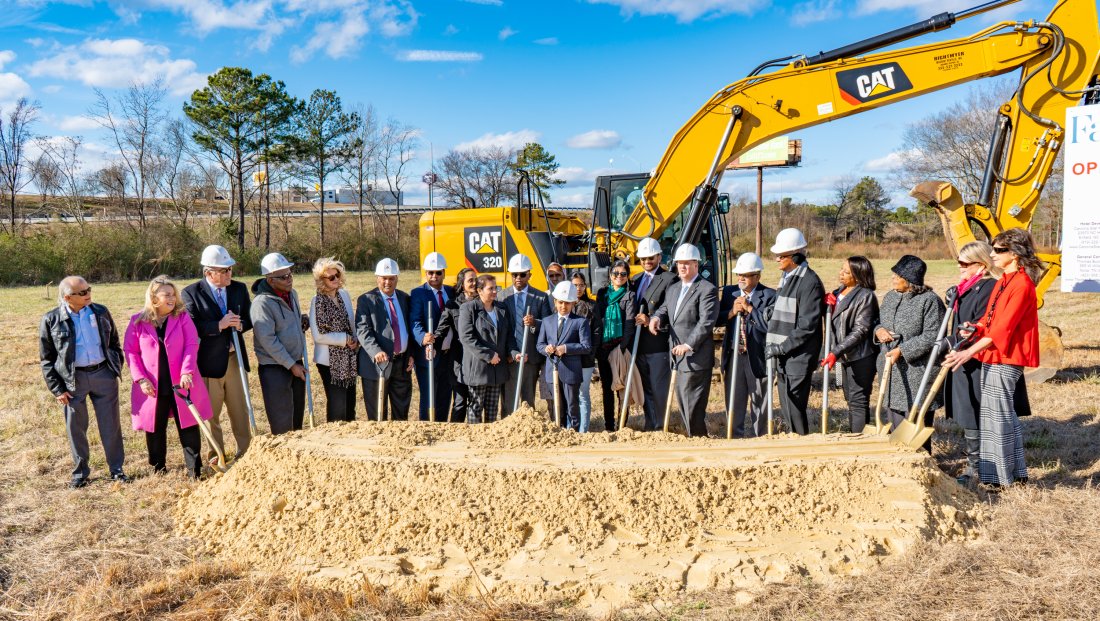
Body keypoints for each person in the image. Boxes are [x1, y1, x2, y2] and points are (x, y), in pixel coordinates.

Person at [945, 229, 1041, 488]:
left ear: (1015, 253)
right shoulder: (1004, 280)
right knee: (998, 416)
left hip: (1008, 356)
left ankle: (1001, 479)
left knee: (997, 418)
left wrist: (967, 352)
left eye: (998, 250)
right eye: (993, 249)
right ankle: (1015, 474)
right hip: (993, 354)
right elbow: (990, 320)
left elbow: (1003, 328)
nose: (992, 254)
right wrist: (973, 329)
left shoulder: (1021, 284)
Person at [39, 276, 127, 488]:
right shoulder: (51, 319)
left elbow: (114, 342)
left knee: (111, 425)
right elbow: (47, 358)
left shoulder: (101, 311)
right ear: (68, 297)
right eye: (82, 292)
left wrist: (114, 368)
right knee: (76, 428)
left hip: (103, 375)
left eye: (89, 289)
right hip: (72, 381)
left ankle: (117, 470)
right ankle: (80, 473)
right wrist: (57, 388)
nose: (88, 293)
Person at [124, 276, 212, 478]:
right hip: (153, 384)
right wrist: (141, 379)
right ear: (154, 298)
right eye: (167, 295)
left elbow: (192, 344)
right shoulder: (137, 321)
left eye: (173, 294)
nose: (172, 299)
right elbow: (131, 352)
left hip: (181, 381)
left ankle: (194, 470)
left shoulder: (182, 318)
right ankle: (158, 468)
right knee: (155, 427)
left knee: (188, 425)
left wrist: (186, 371)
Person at [181, 244, 253, 462]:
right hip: (210, 363)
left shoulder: (239, 289)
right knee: (212, 413)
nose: (229, 273)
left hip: (234, 359)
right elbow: (193, 327)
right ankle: (217, 455)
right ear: (208, 272)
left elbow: (249, 319)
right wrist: (218, 325)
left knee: (240, 409)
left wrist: (240, 325)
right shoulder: (191, 293)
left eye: (230, 268)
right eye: (224, 270)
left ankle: (247, 452)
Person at [874, 255, 946, 452]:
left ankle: (920, 460)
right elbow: (879, 322)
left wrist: (903, 350)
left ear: (909, 279)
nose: (893, 279)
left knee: (914, 421)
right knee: (894, 417)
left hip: (917, 372)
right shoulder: (890, 297)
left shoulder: (930, 301)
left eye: (897, 276)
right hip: (890, 369)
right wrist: (878, 330)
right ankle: (896, 460)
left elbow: (934, 335)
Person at [649, 243, 718, 437]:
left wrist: (688, 345)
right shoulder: (674, 288)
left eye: (687, 264)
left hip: (695, 357)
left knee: (692, 403)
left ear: (696, 264)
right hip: (677, 357)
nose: (682, 267)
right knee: (683, 401)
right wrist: (656, 318)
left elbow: (706, 322)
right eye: (680, 263)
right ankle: (694, 437)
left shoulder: (706, 289)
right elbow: (665, 308)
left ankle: (698, 439)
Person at [765, 228, 825, 436]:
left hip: (798, 356)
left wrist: (782, 347)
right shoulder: (788, 278)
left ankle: (801, 441)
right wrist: (771, 312)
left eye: (781, 256)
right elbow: (787, 307)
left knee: (794, 406)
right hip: (785, 355)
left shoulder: (809, 282)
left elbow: (807, 325)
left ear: (796, 256)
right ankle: (794, 438)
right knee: (786, 405)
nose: (776, 259)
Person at [717, 253, 775, 438]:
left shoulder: (770, 295)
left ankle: (762, 436)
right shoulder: (729, 292)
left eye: (746, 274)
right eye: (739, 274)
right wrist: (732, 311)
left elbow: (769, 326)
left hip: (756, 356)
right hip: (734, 355)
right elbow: (717, 319)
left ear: (757, 276)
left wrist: (750, 308)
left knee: (760, 401)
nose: (741, 278)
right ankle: (734, 436)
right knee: (734, 399)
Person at [251, 252, 308, 435]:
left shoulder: (292, 294)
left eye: (290, 274)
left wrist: (300, 320)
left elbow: (289, 322)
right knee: (283, 423)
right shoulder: (261, 304)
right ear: (270, 280)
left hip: (295, 363)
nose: (289, 279)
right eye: (283, 277)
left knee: (297, 419)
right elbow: (268, 340)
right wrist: (291, 365)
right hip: (275, 368)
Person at [822, 256, 880, 433]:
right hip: (843, 355)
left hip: (860, 356)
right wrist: (826, 308)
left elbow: (860, 330)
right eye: (841, 269)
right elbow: (834, 324)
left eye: (847, 272)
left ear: (858, 275)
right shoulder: (838, 292)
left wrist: (836, 351)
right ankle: (857, 433)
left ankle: (859, 438)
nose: (841, 273)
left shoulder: (866, 296)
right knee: (849, 398)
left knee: (858, 400)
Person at [356, 258, 415, 421]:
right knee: (377, 415)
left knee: (401, 413)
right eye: (384, 278)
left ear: (397, 278)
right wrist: (376, 351)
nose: (387, 282)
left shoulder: (405, 298)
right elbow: (362, 330)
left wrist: (411, 354)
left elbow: (409, 329)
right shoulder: (366, 300)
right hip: (376, 366)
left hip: (402, 365)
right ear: (377, 278)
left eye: (391, 278)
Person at [458, 274, 521, 423]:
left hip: (497, 369)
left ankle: (490, 443)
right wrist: (488, 355)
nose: (494, 291)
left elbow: (509, 336)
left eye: (496, 288)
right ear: (479, 291)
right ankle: (476, 441)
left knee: (492, 408)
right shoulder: (468, 309)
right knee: (476, 406)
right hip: (478, 369)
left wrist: (515, 353)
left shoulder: (501, 309)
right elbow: (467, 338)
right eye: (490, 288)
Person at [630, 237, 677, 431]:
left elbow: (671, 309)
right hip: (638, 344)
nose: (647, 262)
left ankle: (660, 425)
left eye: (651, 258)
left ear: (659, 257)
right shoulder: (635, 280)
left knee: (658, 388)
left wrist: (651, 320)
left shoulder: (669, 279)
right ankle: (650, 423)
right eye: (643, 259)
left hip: (657, 343)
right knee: (646, 387)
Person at [499, 254, 551, 415]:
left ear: (530, 274)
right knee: (508, 400)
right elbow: (500, 328)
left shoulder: (540, 297)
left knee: (528, 400)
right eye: (515, 275)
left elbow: (549, 324)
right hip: (509, 357)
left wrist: (535, 322)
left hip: (531, 356)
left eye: (522, 274)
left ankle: (527, 434)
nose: (518, 278)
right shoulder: (502, 297)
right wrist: (508, 352)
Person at [309, 257, 359, 423]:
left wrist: (354, 339)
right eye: (331, 277)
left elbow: (351, 322)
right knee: (338, 406)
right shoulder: (317, 301)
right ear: (321, 280)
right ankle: (335, 439)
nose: (336, 279)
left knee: (350, 403)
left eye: (337, 275)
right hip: (328, 361)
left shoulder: (344, 295)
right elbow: (318, 335)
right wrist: (345, 339)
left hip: (349, 358)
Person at [537, 282, 593, 431]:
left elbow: (586, 346)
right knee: (557, 408)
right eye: (561, 302)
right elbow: (540, 344)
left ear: (573, 303)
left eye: (567, 303)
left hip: (571, 372)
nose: (563, 306)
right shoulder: (547, 321)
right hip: (552, 372)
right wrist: (546, 349)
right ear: (555, 301)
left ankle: (573, 434)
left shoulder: (580, 322)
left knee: (572, 407)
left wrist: (566, 348)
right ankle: (559, 434)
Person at [410, 252, 455, 422]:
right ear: (426, 273)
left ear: (444, 272)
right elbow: (415, 321)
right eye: (430, 272)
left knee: (445, 396)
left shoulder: (451, 292)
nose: (434, 276)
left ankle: (442, 428)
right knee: (429, 397)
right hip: (427, 355)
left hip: (448, 354)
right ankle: (426, 429)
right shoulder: (418, 293)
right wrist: (423, 337)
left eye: (438, 272)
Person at [593, 261, 637, 433]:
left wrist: (622, 347)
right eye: (616, 273)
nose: (619, 277)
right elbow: (598, 319)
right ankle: (609, 425)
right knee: (607, 388)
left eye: (623, 274)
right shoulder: (602, 294)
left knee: (621, 388)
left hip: (620, 348)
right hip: (604, 348)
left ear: (627, 276)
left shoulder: (629, 295)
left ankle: (622, 425)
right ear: (610, 274)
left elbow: (629, 324)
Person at [435, 267, 478, 423]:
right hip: (459, 358)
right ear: (462, 283)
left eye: (475, 279)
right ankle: (455, 435)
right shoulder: (453, 304)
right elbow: (442, 328)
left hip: (479, 359)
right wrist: (433, 344)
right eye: (470, 280)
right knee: (460, 401)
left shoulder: (483, 301)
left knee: (476, 402)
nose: (474, 283)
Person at [570, 271, 598, 432]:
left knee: (582, 393)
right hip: (568, 357)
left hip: (585, 358)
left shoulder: (592, 306)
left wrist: (590, 352)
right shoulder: (565, 304)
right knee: (570, 395)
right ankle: (571, 427)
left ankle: (583, 429)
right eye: (575, 285)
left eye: (581, 285)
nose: (578, 288)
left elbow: (596, 332)